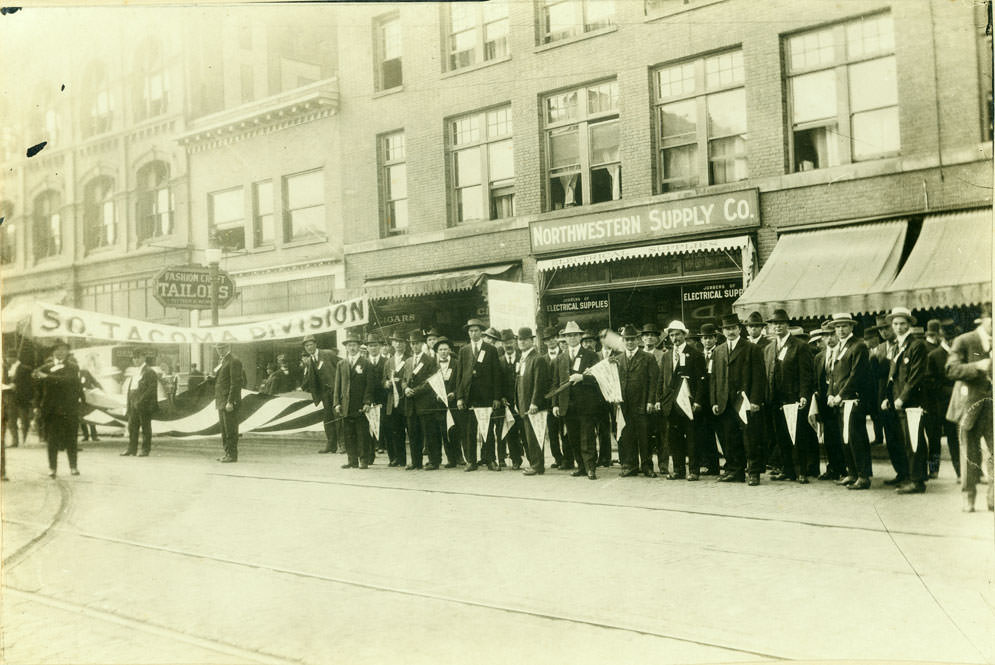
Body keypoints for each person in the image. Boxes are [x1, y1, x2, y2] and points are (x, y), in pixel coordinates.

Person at [945, 302, 993, 512]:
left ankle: (992, 500)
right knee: (970, 455)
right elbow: (951, 369)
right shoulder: (965, 340)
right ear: (984, 319)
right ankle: (969, 497)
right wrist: (977, 366)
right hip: (970, 406)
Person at [710, 313, 765, 485]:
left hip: (745, 401)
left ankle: (754, 472)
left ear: (739, 329)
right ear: (723, 331)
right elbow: (714, 378)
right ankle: (736, 471)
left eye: (733, 328)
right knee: (730, 437)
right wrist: (714, 401)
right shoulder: (718, 351)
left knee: (751, 438)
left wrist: (756, 400)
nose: (730, 332)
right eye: (727, 329)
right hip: (725, 401)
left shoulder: (751, 348)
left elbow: (759, 377)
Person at [880, 307, 930, 494]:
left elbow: (915, 376)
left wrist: (902, 398)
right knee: (905, 441)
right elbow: (892, 376)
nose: (899, 327)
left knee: (914, 441)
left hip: (912, 402)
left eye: (902, 324)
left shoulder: (916, 345)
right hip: (899, 401)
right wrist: (887, 397)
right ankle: (910, 476)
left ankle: (917, 481)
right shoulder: (896, 346)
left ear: (909, 325)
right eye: (895, 324)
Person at [763, 309, 815, 483]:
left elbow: (806, 374)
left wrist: (803, 395)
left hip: (793, 398)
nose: (777, 327)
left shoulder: (799, 346)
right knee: (781, 436)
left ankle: (802, 471)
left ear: (787, 326)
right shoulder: (769, 348)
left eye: (781, 323)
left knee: (797, 436)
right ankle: (788, 470)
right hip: (775, 400)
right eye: (774, 324)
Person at [826, 313, 873, 490]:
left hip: (852, 400)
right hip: (840, 401)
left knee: (856, 437)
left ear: (851, 327)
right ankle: (852, 473)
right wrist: (831, 393)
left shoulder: (858, 346)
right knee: (845, 437)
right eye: (837, 327)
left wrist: (841, 395)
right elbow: (832, 374)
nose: (840, 330)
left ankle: (863, 475)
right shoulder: (839, 347)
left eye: (844, 326)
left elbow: (856, 375)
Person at [552, 321, 601, 480]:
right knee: (573, 437)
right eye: (568, 335)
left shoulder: (590, 355)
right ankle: (580, 466)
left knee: (587, 437)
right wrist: (555, 404)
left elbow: (599, 378)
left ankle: (590, 468)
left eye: (575, 335)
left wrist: (583, 377)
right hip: (567, 404)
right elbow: (556, 382)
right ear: (564, 338)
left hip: (585, 404)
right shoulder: (561, 358)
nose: (572, 338)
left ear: (580, 336)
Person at [657, 320, 705, 480]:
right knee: (674, 437)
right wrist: (660, 399)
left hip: (688, 402)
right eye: (671, 335)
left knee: (692, 437)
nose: (674, 337)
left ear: (684, 335)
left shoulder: (695, 354)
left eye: (677, 334)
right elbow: (661, 379)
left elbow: (700, 380)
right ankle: (678, 469)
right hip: (671, 403)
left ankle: (693, 470)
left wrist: (698, 401)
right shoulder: (666, 356)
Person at [32, 340, 84, 477]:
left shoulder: (73, 367)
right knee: (52, 440)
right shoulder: (45, 367)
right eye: (58, 349)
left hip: (69, 408)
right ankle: (52, 468)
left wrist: (47, 377)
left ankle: (73, 467)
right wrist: (37, 406)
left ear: (67, 352)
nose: (61, 352)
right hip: (51, 409)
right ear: (53, 352)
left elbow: (68, 380)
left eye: (63, 349)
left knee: (71, 439)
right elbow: (38, 389)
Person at [457, 318, 501, 471]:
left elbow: (496, 374)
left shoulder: (490, 349)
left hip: (486, 396)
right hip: (469, 396)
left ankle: (490, 460)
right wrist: (460, 397)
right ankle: (471, 461)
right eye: (470, 331)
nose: (473, 333)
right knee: (470, 430)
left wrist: (496, 397)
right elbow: (460, 375)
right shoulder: (464, 350)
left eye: (476, 330)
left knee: (487, 429)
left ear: (481, 332)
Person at [616, 324, 658, 478]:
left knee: (644, 436)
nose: (630, 342)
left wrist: (651, 401)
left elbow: (654, 381)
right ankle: (631, 466)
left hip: (642, 403)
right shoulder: (618, 359)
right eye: (627, 339)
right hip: (624, 405)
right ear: (623, 341)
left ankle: (647, 466)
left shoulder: (648, 357)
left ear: (638, 340)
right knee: (628, 436)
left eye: (632, 339)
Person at [872, 316, 909, 485]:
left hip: (897, 397)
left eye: (886, 328)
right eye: (880, 329)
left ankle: (909, 472)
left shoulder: (900, 346)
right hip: (882, 399)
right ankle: (899, 472)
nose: (884, 332)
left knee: (903, 437)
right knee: (891, 438)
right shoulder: (878, 349)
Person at [925, 320, 961, 479]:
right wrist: (951, 390)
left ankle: (960, 472)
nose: (952, 340)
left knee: (954, 438)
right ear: (941, 337)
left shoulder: (960, 355)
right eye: (948, 337)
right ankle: (933, 470)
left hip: (954, 403)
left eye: (954, 337)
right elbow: (929, 381)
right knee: (934, 439)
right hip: (936, 403)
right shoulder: (934, 355)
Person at [810, 325, 846, 481]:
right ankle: (832, 467)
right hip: (825, 402)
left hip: (841, 399)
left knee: (843, 435)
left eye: (832, 334)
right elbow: (816, 380)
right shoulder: (819, 357)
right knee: (829, 436)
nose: (829, 338)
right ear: (821, 338)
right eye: (825, 335)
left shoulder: (843, 353)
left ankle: (846, 468)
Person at [334, 330, 374, 469]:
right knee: (349, 433)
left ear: (359, 347)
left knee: (362, 433)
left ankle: (364, 459)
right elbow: (337, 386)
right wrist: (336, 403)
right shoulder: (342, 364)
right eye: (349, 345)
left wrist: (367, 402)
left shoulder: (366, 363)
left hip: (360, 404)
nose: (352, 348)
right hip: (346, 404)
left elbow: (369, 385)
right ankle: (352, 460)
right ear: (346, 347)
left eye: (354, 345)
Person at [515, 327, 550, 476]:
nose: (521, 342)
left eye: (525, 339)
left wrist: (535, 402)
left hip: (532, 405)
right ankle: (535, 464)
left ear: (532, 340)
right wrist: (517, 402)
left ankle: (537, 465)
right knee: (529, 435)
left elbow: (539, 383)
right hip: (524, 404)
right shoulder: (523, 359)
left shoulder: (537, 358)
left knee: (535, 435)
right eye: (520, 339)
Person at [402, 329, 439, 470]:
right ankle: (416, 462)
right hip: (410, 404)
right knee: (413, 434)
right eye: (412, 344)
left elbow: (431, 381)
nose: (414, 346)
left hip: (425, 402)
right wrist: (405, 388)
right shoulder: (408, 361)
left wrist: (415, 391)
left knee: (429, 433)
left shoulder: (429, 360)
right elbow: (404, 380)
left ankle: (434, 461)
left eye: (416, 343)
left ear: (422, 344)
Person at [302, 335, 341, 455]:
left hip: (335, 392)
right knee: (328, 419)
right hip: (324, 394)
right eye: (306, 345)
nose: (309, 347)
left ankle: (343, 445)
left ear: (315, 344)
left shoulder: (328, 354)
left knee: (339, 418)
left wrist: (340, 386)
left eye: (311, 344)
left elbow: (342, 365)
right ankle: (331, 445)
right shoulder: (309, 361)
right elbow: (310, 379)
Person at [695, 323, 723, 475]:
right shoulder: (698, 355)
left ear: (715, 339)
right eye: (704, 338)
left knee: (721, 432)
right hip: (702, 400)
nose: (707, 341)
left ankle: (730, 463)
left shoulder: (720, 353)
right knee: (705, 433)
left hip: (717, 399)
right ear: (701, 340)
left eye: (710, 338)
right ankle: (711, 465)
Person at [121, 350, 159, 457]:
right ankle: (131, 449)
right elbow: (131, 388)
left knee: (145, 427)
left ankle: (145, 449)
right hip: (133, 402)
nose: (135, 360)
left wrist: (141, 401)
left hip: (143, 403)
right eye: (133, 358)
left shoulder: (149, 371)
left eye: (137, 357)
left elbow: (151, 389)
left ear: (144, 357)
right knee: (132, 426)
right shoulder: (135, 371)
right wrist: (130, 402)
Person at [433, 337, 464, 467]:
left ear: (450, 350)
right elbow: (430, 382)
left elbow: (462, 381)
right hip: (439, 403)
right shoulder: (433, 365)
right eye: (440, 350)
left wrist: (455, 394)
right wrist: (436, 395)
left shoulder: (457, 363)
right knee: (444, 430)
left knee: (456, 429)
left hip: (453, 402)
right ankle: (450, 459)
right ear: (437, 352)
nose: (443, 352)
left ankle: (459, 457)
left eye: (445, 349)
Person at [540, 326, 567, 469]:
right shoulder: (542, 359)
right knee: (552, 431)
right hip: (548, 401)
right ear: (544, 342)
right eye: (547, 340)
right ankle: (558, 458)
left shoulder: (565, 355)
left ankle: (568, 458)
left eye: (552, 338)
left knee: (565, 430)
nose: (550, 342)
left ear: (557, 338)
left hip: (563, 398)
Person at [495, 329, 523, 469]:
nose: (508, 345)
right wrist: (501, 397)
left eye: (511, 341)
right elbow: (497, 382)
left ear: (515, 342)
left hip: (522, 402)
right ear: (502, 344)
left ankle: (533, 459)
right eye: (505, 342)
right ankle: (516, 459)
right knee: (510, 431)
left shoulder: (522, 358)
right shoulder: (499, 361)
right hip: (506, 403)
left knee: (524, 431)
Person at [212, 342, 243, 463]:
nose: (219, 350)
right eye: (217, 348)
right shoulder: (224, 361)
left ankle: (232, 455)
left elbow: (236, 383)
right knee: (225, 430)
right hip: (222, 400)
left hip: (228, 402)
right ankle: (227, 453)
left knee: (230, 429)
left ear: (228, 347)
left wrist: (230, 401)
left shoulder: (234, 361)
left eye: (222, 348)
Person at [383, 331, 409, 467]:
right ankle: (397, 458)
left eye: (401, 341)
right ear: (392, 344)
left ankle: (412, 459)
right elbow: (384, 379)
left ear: (405, 344)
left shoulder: (409, 359)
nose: (398, 344)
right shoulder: (389, 362)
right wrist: (386, 383)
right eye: (396, 341)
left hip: (406, 400)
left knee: (409, 429)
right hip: (392, 401)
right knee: (395, 430)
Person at [3, 350, 34, 448]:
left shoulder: (25, 369)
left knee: (24, 420)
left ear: (16, 357)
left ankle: (24, 439)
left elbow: (29, 384)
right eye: (8, 357)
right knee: (11, 420)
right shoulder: (6, 368)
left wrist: (17, 385)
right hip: (9, 397)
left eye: (11, 357)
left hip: (22, 398)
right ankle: (15, 441)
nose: (9, 359)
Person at [366, 333, 389, 457]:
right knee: (370, 421)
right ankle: (372, 448)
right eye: (370, 346)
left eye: (375, 345)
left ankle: (381, 444)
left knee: (383, 420)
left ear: (379, 347)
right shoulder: (364, 362)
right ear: (367, 348)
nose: (373, 348)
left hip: (383, 396)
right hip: (369, 397)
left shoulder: (386, 361)